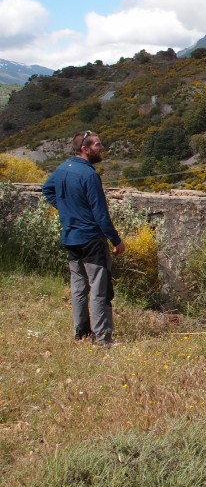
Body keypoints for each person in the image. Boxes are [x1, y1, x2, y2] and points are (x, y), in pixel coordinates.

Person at [42, 131, 126, 346]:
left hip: (70, 236)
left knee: (79, 287)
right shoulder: (89, 175)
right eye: (98, 145)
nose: (102, 147)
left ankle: (81, 333)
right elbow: (100, 214)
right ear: (85, 149)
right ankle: (103, 339)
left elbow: (47, 189)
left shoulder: (62, 169)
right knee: (100, 289)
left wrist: (67, 209)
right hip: (91, 238)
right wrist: (116, 240)